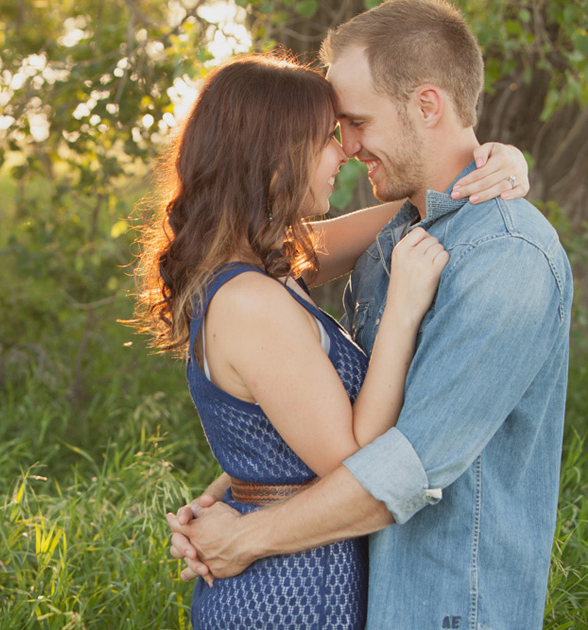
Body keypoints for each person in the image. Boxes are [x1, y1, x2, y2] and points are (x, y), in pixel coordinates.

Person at [167, 1, 573, 629]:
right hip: (340, 593)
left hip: (445, 608)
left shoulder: (503, 255)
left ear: (427, 106)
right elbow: (317, 422)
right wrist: (240, 490)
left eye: (354, 122)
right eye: (333, 133)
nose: (348, 149)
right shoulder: (394, 243)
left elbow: (400, 466)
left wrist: (246, 533)